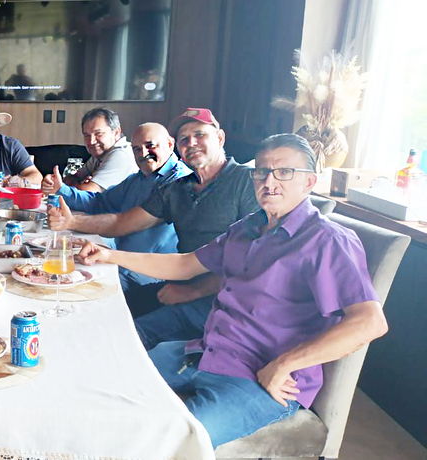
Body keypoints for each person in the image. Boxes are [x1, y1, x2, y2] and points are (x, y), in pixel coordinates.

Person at [76, 133, 388, 448]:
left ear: (309, 181)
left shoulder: (328, 240)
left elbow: (370, 322)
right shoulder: (247, 228)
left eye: (284, 172)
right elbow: (185, 264)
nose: (269, 181)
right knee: (100, 384)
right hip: (205, 351)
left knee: (167, 441)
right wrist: (110, 256)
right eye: (261, 172)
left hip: (259, 379)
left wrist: (285, 364)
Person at [48, 108, 260, 349]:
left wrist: (193, 291)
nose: (191, 143)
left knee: (121, 337)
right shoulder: (177, 188)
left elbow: (255, 264)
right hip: (180, 282)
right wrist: (73, 224)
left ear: (220, 138)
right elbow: (122, 222)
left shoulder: (247, 181)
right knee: (95, 308)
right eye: (184, 139)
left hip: (222, 304)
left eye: (199, 135)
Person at [45, 123, 192, 290]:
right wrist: (61, 189)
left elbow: (122, 222)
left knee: (66, 284)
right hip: (120, 263)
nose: (143, 153)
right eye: (137, 149)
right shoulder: (137, 179)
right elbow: (99, 202)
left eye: (150, 145)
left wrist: (71, 222)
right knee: (53, 267)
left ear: (170, 144)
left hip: (148, 279)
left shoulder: (179, 182)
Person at [41, 107, 137, 194]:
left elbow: (87, 192)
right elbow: (73, 178)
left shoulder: (121, 154)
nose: (91, 141)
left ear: (116, 132)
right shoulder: (101, 153)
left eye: (98, 133)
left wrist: (60, 187)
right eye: (87, 135)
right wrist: (56, 183)